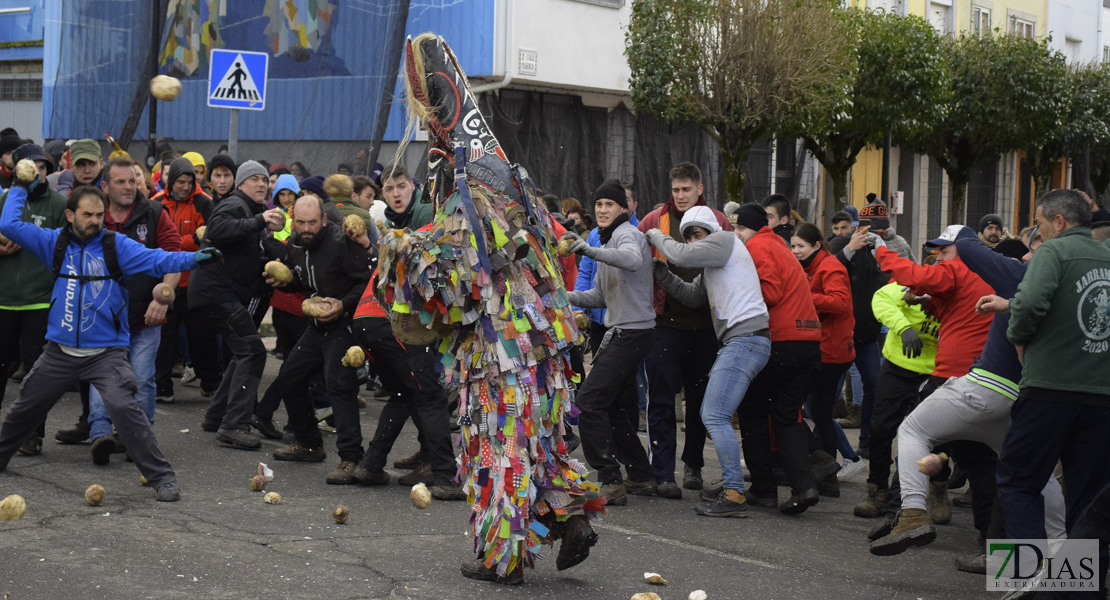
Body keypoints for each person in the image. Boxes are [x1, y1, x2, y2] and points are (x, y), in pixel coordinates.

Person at [0, 180, 220, 501]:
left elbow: (159, 259)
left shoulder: (116, 246)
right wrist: (19, 186)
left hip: (106, 353)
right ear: (69, 215)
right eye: (88, 215)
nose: (95, 221)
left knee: (125, 409)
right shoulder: (53, 243)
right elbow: (8, 224)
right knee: (24, 406)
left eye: (100, 215)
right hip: (59, 352)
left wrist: (195, 259)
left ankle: (162, 476)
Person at [869, 227, 1066, 560]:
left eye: (1037, 250)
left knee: (913, 431)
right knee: (1032, 474)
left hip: (983, 383)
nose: (1028, 256)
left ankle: (912, 513)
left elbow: (963, 251)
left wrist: (881, 248)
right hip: (1028, 395)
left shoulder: (1014, 273)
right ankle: (1058, 557)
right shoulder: (1061, 292)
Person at [997, 189, 1110, 592]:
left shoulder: (1053, 253)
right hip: (1100, 396)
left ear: (1059, 222)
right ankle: (1081, 587)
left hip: (1048, 388)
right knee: (1088, 496)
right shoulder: (1106, 257)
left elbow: (1026, 307)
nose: (1039, 235)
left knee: (1016, 480)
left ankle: (1024, 579)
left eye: (1041, 226)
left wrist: (1019, 338)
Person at [647, 205, 770, 517]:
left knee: (713, 415)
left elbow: (682, 256)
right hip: (742, 340)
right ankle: (733, 485)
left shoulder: (725, 241)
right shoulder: (715, 262)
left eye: (696, 234)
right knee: (714, 414)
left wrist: (655, 236)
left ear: (711, 231)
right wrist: (663, 274)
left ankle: (734, 494)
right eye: (687, 236)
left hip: (745, 340)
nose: (692, 241)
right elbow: (691, 295)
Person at [267, 196, 375, 485]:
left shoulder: (341, 243)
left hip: (344, 324)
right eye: (300, 223)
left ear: (324, 220)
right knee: (290, 377)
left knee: (339, 385)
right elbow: (303, 279)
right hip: (317, 325)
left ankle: (351, 458)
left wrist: (343, 304)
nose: (306, 229)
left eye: (312, 223)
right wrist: (285, 281)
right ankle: (309, 444)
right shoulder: (295, 245)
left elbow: (368, 280)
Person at [83, 156, 184, 464]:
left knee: (141, 379)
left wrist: (162, 299)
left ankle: (138, 439)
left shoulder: (154, 213)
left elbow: (175, 259)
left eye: (132, 181)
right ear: (105, 186)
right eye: (121, 182)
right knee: (103, 379)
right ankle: (100, 434)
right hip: (101, 319)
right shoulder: (92, 215)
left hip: (145, 316)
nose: (129, 187)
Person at [636, 163, 728, 496]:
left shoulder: (719, 221)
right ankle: (662, 472)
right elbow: (638, 261)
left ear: (699, 189)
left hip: (706, 325)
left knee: (701, 401)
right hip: (664, 323)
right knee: (660, 399)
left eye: (686, 189)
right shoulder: (653, 221)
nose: (680, 195)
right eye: (675, 189)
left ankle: (694, 465)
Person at [565, 179, 657, 505]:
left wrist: (588, 249)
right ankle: (642, 475)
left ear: (624, 208)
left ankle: (609, 479)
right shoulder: (607, 238)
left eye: (610, 205)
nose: (603, 210)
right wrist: (563, 298)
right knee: (612, 405)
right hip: (624, 330)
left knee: (589, 402)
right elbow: (600, 295)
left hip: (632, 332)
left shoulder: (627, 234)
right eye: (599, 204)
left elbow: (631, 260)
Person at [728, 203, 824, 515]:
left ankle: (764, 488)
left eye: (739, 228)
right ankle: (804, 484)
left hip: (779, 341)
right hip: (807, 340)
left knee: (753, 413)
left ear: (752, 228)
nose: (736, 234)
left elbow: (768, 293)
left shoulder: (757, 247)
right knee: (788, 415)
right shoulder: (778, 245)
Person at [188, 160, 286, 450]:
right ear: (241, 184)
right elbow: (215, 230)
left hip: (217, 294)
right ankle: (233, 426)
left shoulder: (251, 212)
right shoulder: (235, 204)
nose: (261, 184)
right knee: (254, 351)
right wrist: (260, 221)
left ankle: (216, 416)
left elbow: (251, 250)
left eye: (265, 180)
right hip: (215, 293)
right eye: (254, 179)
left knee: (243, 351)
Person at [852, 280, 939, 521]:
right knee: (880, 430)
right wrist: (904, 327)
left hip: (936, 372)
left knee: (921, 438)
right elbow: (880, 298)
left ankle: (903, 498)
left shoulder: (959, 290)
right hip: (898, 368)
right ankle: (877, 490)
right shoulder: (915, 283)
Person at [0, 144, 67, 455]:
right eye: (31, 167)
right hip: (3, 300)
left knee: (35, 375)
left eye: (42, 167)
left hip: (39, 301)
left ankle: (32, 435)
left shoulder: (58, 204)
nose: (37, 173)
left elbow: (67, 247)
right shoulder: (5, 200)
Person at [790, 223, 855, 498]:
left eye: (801, 246)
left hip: (830, 351)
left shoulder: (830, 267)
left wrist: (805, 294)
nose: (796, 252)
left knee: (793, 407)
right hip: (830, 349)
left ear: (817, 245)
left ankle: (822, 464)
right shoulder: (814, 267)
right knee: (820, 412)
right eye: (793, 246)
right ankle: (828, 476)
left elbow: (839, 303)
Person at [152, 157, 218, 403]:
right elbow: (152, 236)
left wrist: (177, 243)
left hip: (195, 283)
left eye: (189, 181)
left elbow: (209, 237)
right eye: (180, 181)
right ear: (169, 181)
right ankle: (162, 387)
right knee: (164, 336)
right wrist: (189, 241)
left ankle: (211, 383)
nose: (185, 186)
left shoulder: (205, 202)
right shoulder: (156, 203)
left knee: (202, 337)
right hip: (165, 282)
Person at [379, 164, 433, 229]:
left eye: (401, 187)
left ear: (412, 186)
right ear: (384, 193)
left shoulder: (425, 210)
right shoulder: (390, 220)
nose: (396, 194)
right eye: (389, 189)